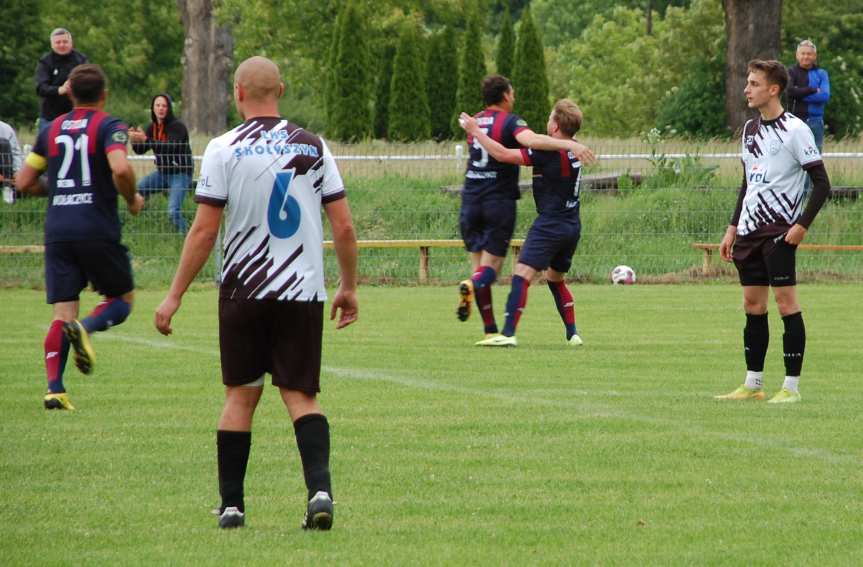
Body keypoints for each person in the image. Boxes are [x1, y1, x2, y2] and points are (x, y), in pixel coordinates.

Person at [154, 56, 358, 531]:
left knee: (240, 396)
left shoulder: (223, 149)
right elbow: (344, 226)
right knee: (302, 395)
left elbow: (204, 231)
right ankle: (320, 493)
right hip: (301, 290)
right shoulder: (313, 146)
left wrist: (174, 296)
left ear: (238, 93)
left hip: (244, 291)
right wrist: (348, 287)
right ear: (281, 90)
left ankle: (231, 506)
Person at [15, 64, 144, 411]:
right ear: (104, 94)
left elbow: (23, 181)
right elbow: (120, 167)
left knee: (62, 312)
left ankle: (55, 390)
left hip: (58, 230)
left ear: (69, 94)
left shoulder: (51, 130)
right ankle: (86, 328)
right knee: (122, 299)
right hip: (95, 227)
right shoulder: (109, 125)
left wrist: (55, 189)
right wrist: (132, 199)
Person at [715, 60, 831, 404]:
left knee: (786, 304)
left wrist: (801, 226)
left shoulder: (796, 131)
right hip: (748, 232)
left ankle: (791, 388)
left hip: (779, 232)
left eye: (753, 83)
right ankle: (753, 384)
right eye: (747, 82)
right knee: (752, 305)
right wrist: (732, 227)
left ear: (773, 89)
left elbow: (823, 184)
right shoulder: (749, 130)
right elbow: (747, 182)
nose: (747, 89)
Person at [456, 74, 595, 345]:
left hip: (547, 222)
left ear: (554, 125)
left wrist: (476, 131)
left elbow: (505, 155)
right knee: (556, 279)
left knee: (521, 275)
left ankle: (505, 333)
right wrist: (570, 143)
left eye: (549, 119)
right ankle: (573, 333)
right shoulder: (574, 150)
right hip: (572, 224)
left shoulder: (548, 151)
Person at [129, 94, 194, 233]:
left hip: (180, 173)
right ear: (153, 108)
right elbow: (141, 150)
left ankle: (187, 236)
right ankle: (147, 222)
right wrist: (135, 140)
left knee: (173, 211)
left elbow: (169, 147)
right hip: (162, 173)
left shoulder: (178, 126)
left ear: (169, 108)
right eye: (157, 105)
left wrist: (146, 139)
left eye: (164, 106)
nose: (161, 109)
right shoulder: (152, 127)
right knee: (138, 190)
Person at [35, 28, 88, 134]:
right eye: (58, 42)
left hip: (77, 117)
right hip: (50, 117)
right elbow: (40, 88)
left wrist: (76, 87)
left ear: (71, 43)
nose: (61, 45)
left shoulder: (81, 60)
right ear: (52, 44)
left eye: (65, 42)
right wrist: (61, 90)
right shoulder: (45, 62)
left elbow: (89, 82)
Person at [786, 40, 830, 152]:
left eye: (809, 54)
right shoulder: (791, 71)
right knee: (794, 156)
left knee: (815, 156)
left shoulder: (822, 73)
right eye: (803, 53)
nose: (806, 56)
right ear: (797, 55)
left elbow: (824, 96)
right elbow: (789, 91)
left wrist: (799, 93)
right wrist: (813, 90)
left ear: (814, 56)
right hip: (794, 120)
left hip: (815, 121)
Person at [0, 120, 23, 202]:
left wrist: (17, 172)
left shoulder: (5, 128)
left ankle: (8, 189)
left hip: (6, 172)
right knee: (3, 143)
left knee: (4, 144)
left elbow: (16, 152)